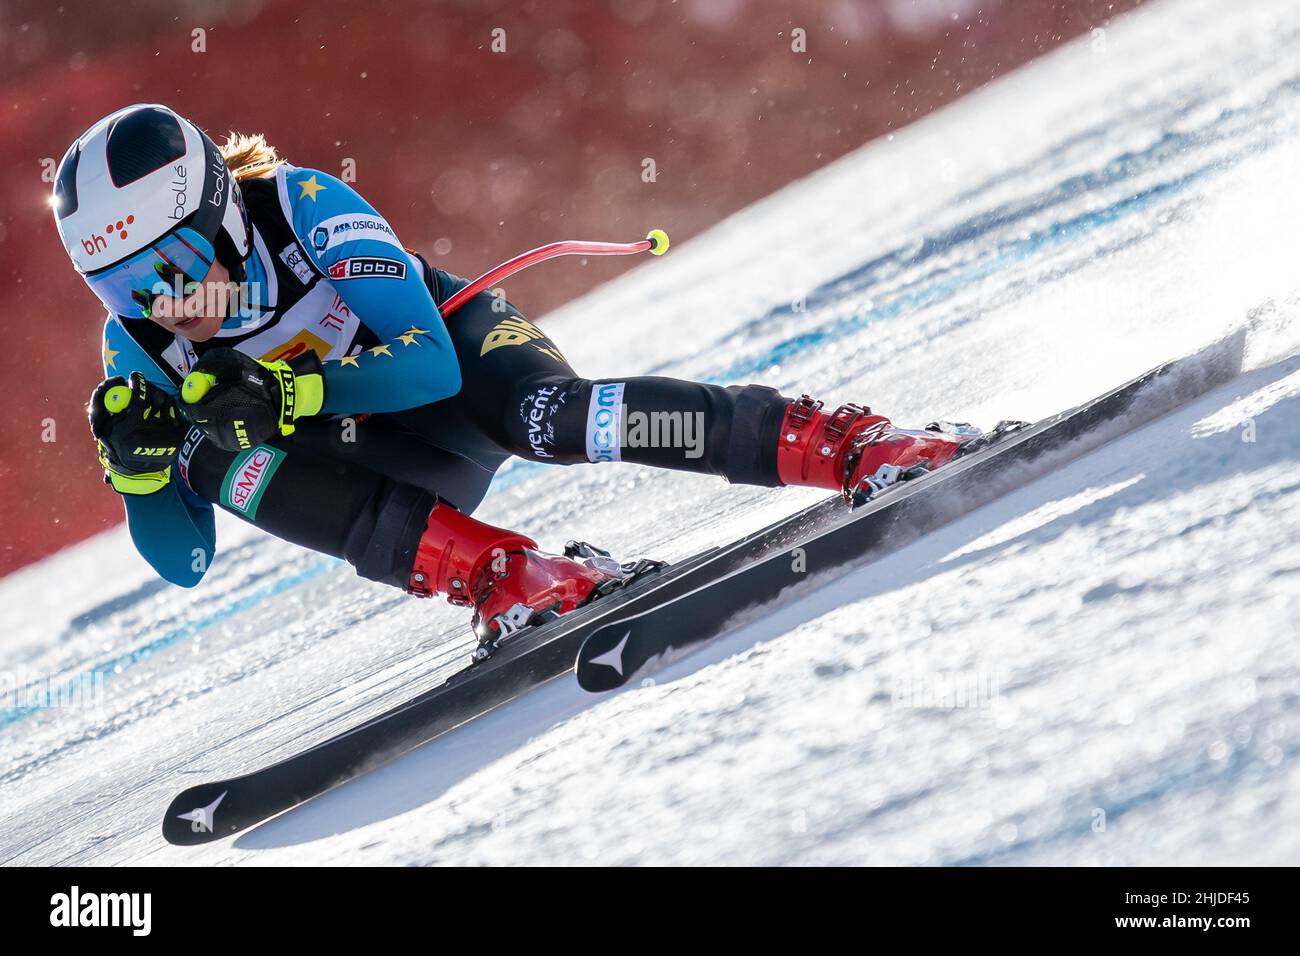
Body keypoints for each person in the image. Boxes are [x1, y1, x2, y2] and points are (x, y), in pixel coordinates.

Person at [53, 104, 975, 643]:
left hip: (457, 380)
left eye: (166, 259)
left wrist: (292, 392)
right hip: (389, 466)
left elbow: (422, 368)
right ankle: (502, 574)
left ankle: (842, 443)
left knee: (556, 421)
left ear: (219, 216)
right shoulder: (139, 344)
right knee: (211, 456)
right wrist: (141, 471)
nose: (157, 297)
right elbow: (184, 564)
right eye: (118, 282)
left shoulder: (302, 206)